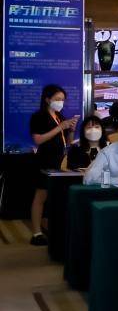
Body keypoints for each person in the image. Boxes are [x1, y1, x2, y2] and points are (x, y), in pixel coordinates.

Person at [28, 84, 77, 245]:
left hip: (59, 161)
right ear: (47, 99)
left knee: (55, 197)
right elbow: (38, 139)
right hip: (44, 160)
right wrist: (60, 127)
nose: (60, 102)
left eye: (62, 99)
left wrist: (71, 129)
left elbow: (68, 142)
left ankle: (52, 229)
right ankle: (36, 233)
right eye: (57, 99)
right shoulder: (39, 116)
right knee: (40, 196)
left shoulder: (60, 116)